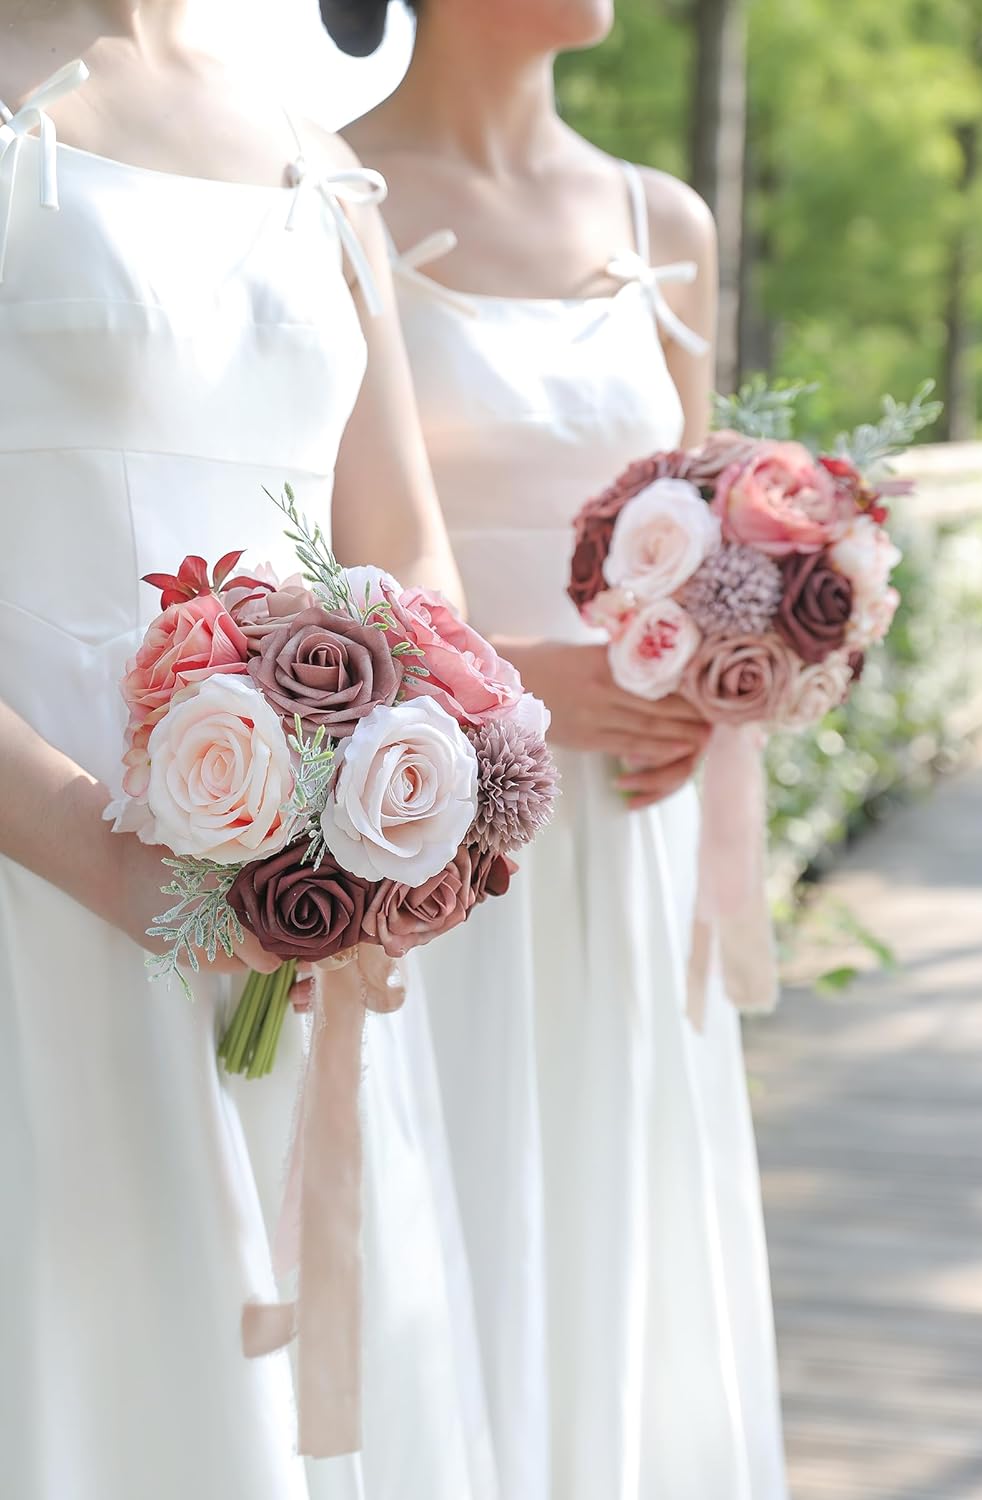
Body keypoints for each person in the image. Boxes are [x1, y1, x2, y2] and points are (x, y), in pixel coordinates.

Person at [0, 5, 494, 1498]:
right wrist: (113, 856)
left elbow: (404, 551)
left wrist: (387, 830)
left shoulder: (313, 152)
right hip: (41, 863)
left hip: (297, 891)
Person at [336, 2, 788, 1497]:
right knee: (458, 1222)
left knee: (621, 1230)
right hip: (439, 819)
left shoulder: (668, 220)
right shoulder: (324, 190)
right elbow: (318, 552)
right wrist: (523, 685)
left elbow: (709, 549)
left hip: (638, 830)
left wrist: (734, 669)